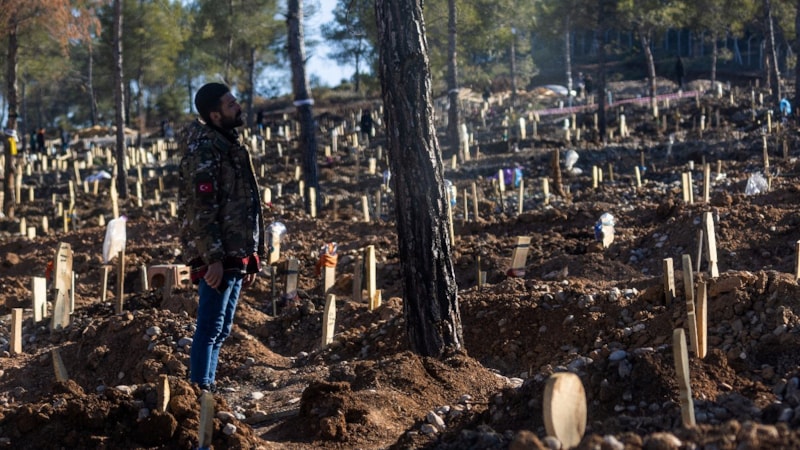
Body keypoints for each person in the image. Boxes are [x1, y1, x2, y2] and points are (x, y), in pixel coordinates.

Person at [178, 82, 267, 393]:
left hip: (234, 250)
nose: (238, 107)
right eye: (231, 105)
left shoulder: (229, 145)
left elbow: (246, 202)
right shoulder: (205, 151)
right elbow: (201, 209)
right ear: (215, 115)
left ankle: (206, 388)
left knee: (223, 328)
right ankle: (199, 391)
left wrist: (252, 255)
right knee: (210, 327)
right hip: (219, 252)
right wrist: (213, 258)